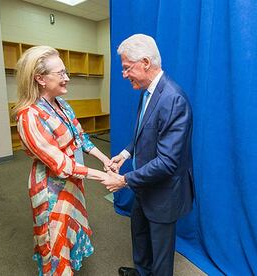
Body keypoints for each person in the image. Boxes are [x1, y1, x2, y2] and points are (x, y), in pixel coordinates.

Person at [12, 46, 111, 275]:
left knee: (67, 235)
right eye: (61, 74)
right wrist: (105, 176)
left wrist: (105, 159)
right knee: (55, 243)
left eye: (66, 72)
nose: (67, 78)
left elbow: (80, 137)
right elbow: (61, 164)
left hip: (73, 181)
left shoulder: (62, 104)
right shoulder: (29, 117)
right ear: (40, 79)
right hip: (51, 190)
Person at [104, 34, 195, 276]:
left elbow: (167, 162)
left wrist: (124, 180)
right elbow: (144, 131)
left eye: (126, 68)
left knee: (161, 256)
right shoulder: (147, 92)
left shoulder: (173, 99)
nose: (123, 75)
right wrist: (126, 153)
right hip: (144, 186)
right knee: (141, 238)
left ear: (144, 62)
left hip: (163, 192)